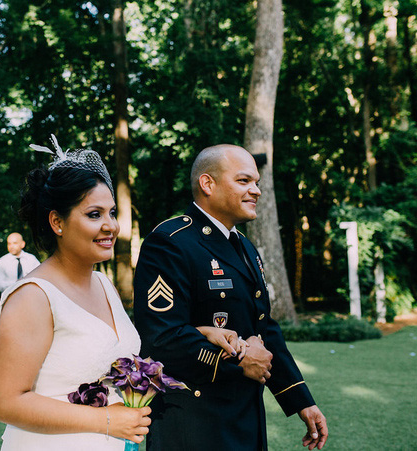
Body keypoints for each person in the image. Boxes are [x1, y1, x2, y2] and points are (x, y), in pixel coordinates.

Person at [133, 144, 328, 450]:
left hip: (245, 416)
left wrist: (299, 398)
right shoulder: (170, 242)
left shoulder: (246, 248)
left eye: (257, 183)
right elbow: (161, 337)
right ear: (207, 184)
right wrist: (239, 361)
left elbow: (264, 328)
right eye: (244, 181)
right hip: (194, 424)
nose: (256, 191)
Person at [0, 138, 151, 450]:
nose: (110, 225)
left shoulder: (103, 284)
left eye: (111, 213)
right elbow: (3, 404)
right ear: (57, 221)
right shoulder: (33, 297)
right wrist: (107, 421)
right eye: (94, 214)